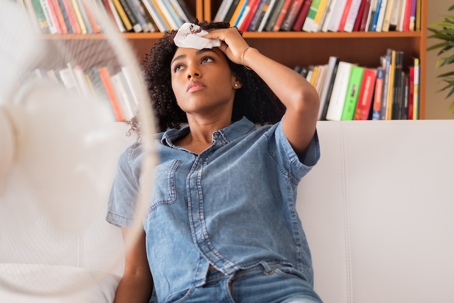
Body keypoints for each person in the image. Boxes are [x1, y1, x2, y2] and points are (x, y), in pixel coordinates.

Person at [106, 20, 322, 303]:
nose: (191, 71)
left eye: (206, 59)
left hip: (273, 290)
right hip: (187, 296)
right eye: (179, 67)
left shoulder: (269, 143)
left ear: (236, 78)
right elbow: (135, 273)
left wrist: (244, 54)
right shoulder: (139, 159)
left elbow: (303, 100)